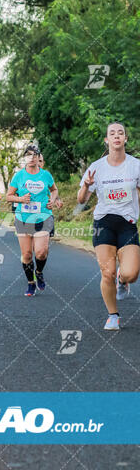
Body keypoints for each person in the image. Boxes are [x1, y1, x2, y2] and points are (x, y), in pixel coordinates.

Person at [77, 122, 140, 330]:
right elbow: (81, 200)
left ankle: (124, 281)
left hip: (127, 224)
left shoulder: (135, 165)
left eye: (120, 133)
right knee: (107, 273)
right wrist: (86, 185)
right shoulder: (96, 167)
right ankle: (113, 315)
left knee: (131, 273)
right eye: (112, 133)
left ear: (125, 139)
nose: (116, 136)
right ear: (106, 140)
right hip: (103, 222)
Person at [6, 145, 58, 296]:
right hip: (23, 218)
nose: (32, 157)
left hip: (43, 217)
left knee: (41, 252)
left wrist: (52, 200)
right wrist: (21, 199)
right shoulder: (18, 176)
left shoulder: (46, 175)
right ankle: (30, 283)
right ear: (24, 158)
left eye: (35, 155)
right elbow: (9, 196)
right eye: (28, 155)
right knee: (27, 254)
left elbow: (54, 190)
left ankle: (39, 271)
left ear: (38, 157)